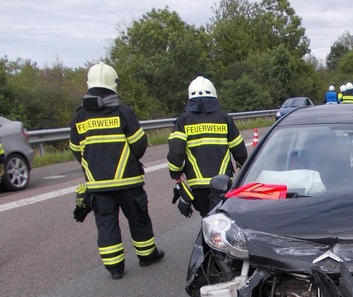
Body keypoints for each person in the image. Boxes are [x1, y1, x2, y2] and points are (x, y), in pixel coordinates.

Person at [69, 62, 164, 280]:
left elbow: (76, 151)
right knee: (138, 218)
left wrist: (94, 166)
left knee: (106, 224)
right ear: (114, 83)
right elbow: (139, 144)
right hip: (128, 181)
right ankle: (147, 255)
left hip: (98, 186)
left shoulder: (79, 117)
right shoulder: (122, 112)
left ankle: (115, 268)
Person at [167, 76, 248, 217]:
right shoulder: (224, 118)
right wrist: (243, 166)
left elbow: (176, 152)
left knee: (206, 218)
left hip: (197, 184)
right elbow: (239, 149)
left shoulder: (183, 121)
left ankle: (206, 238)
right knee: (220, 218)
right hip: (222, 182)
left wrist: (176, 174)